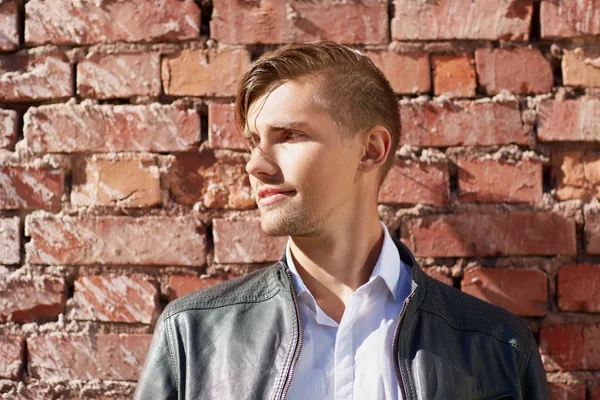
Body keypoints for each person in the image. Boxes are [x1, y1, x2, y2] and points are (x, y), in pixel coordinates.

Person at [134, 41, 550, 400]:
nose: (255, 165)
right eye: (253, 142)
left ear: (370, 149)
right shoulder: (194, 335)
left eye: (289, 135)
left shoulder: (495, 347)